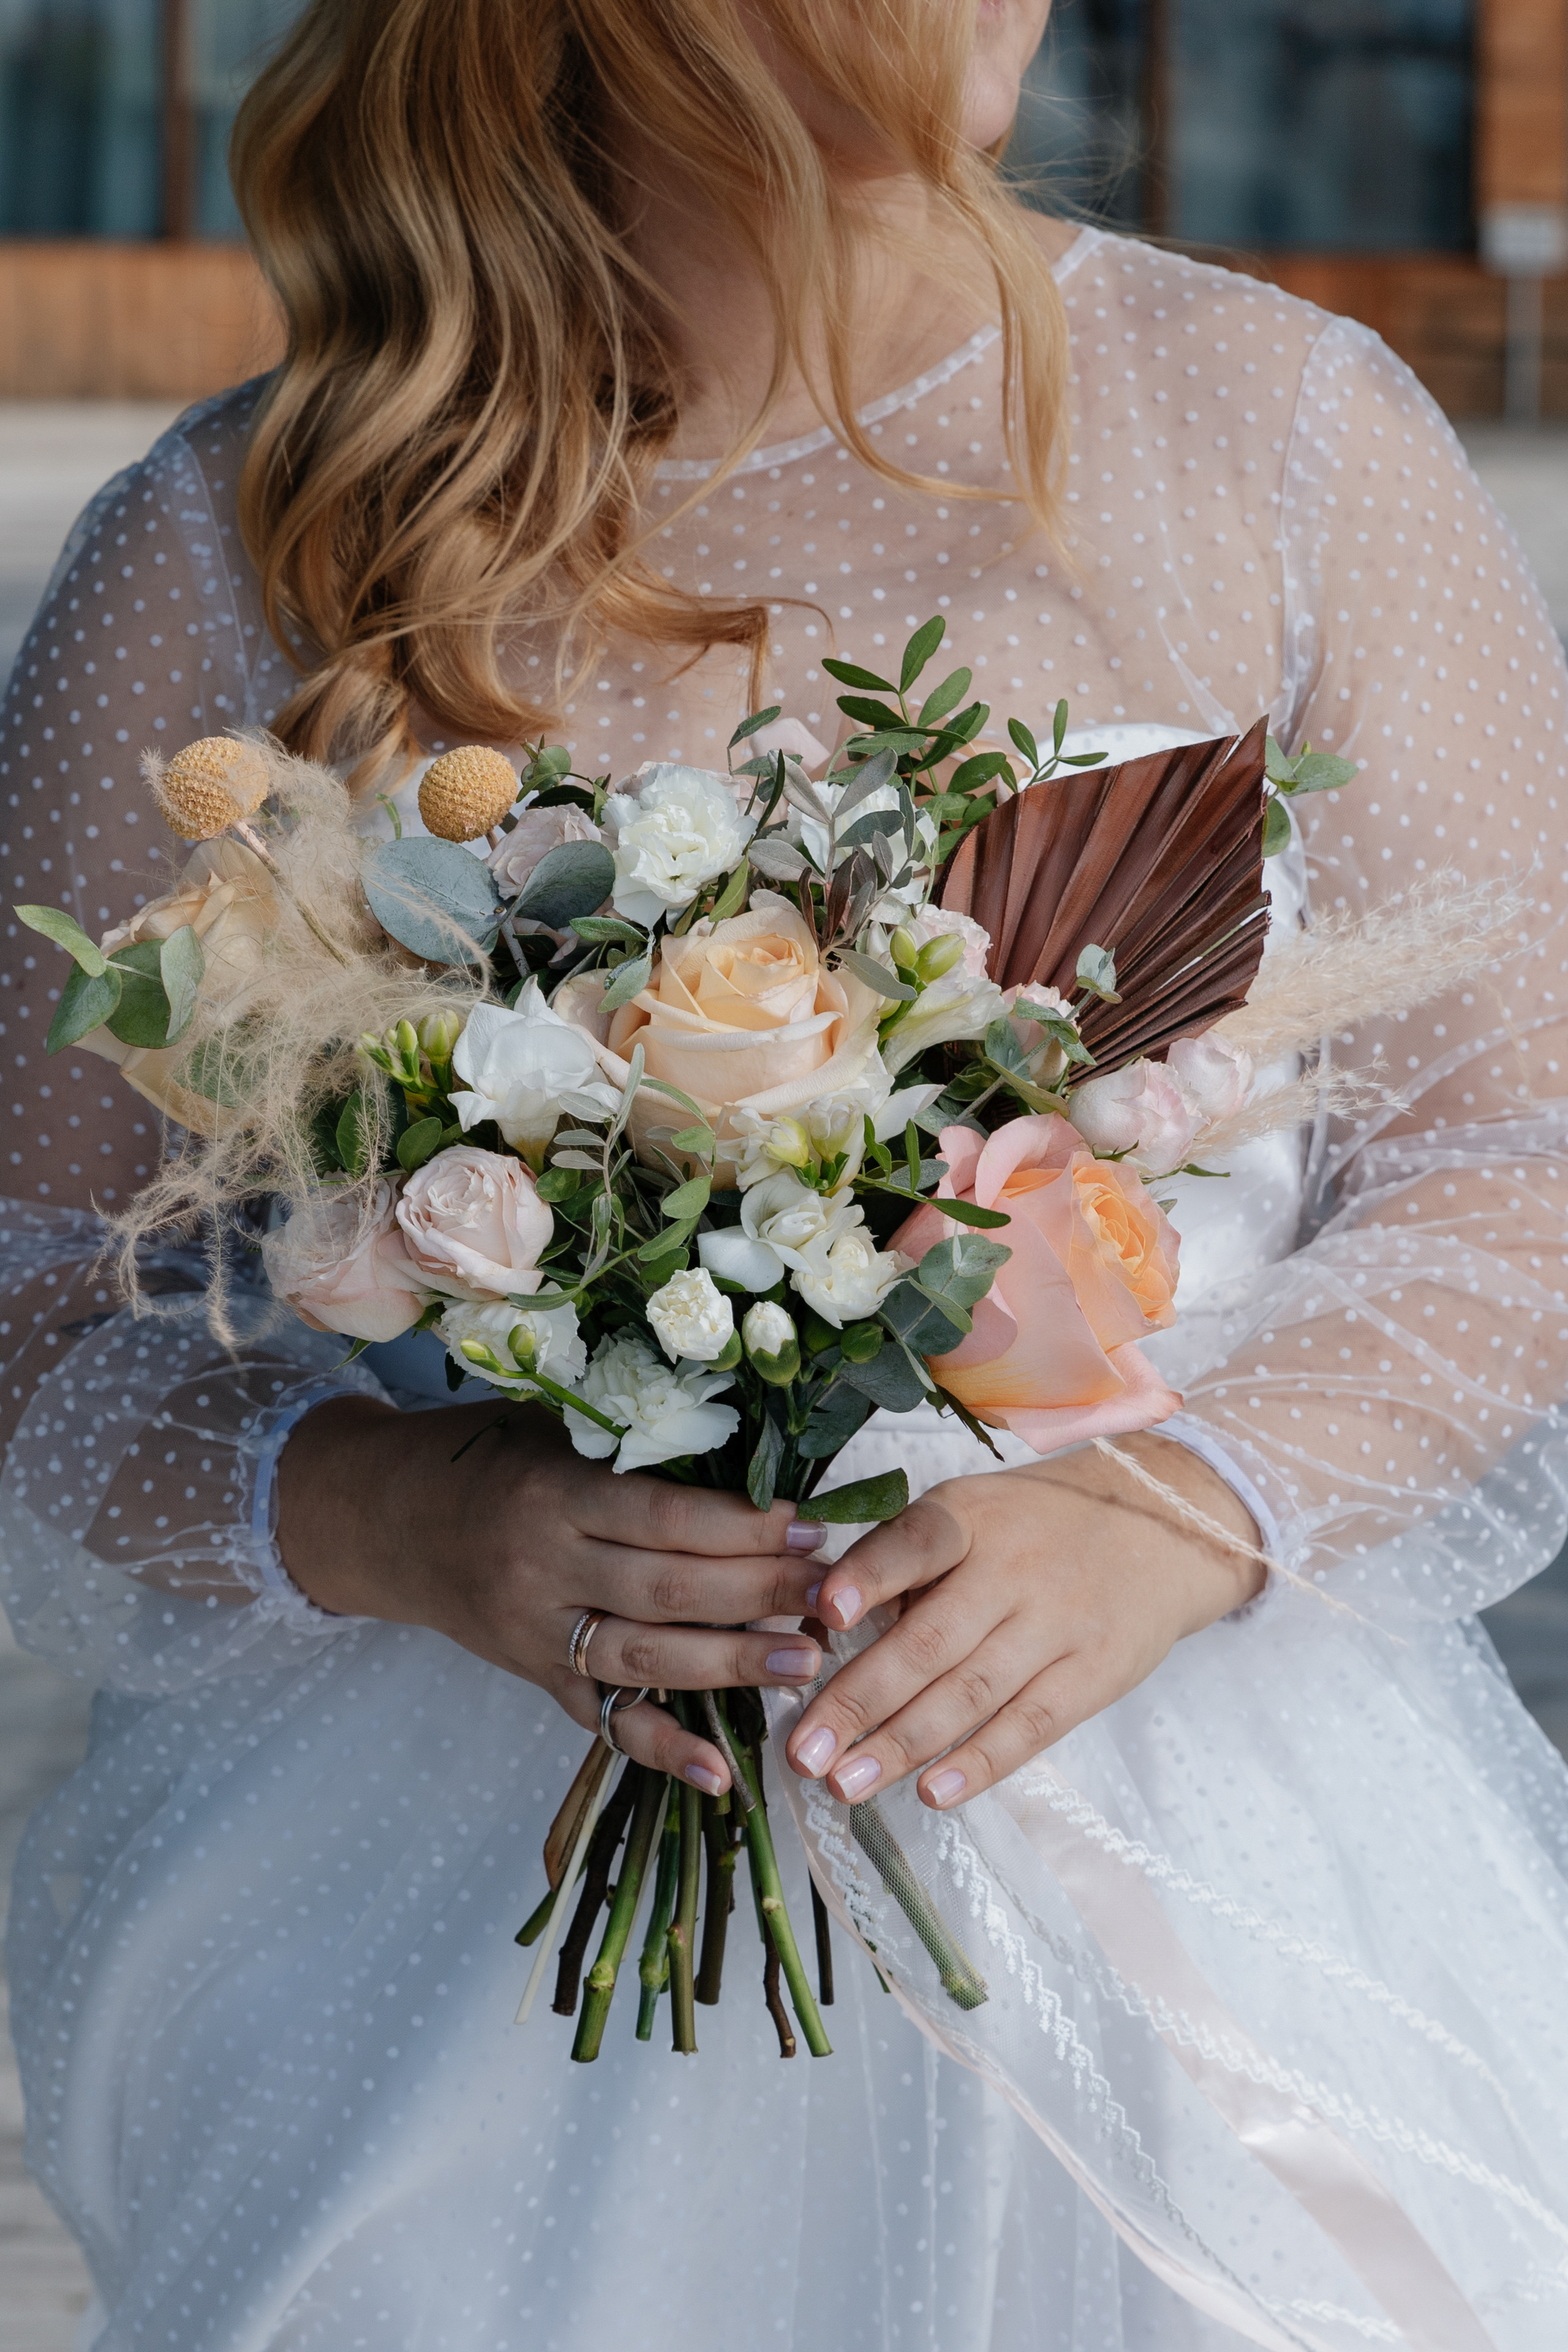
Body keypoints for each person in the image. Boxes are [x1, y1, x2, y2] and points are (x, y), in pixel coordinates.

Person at [4, 2, 1568, 2345]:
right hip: (448, 1886)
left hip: (1202, 1847)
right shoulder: (233, 543)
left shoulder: (1288, 436)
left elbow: (1513, 1170)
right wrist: (420, 1517)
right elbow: (36, 1289)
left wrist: (1175, 1514)